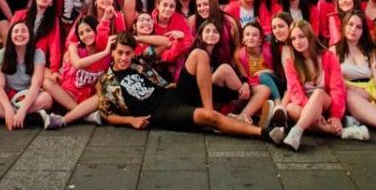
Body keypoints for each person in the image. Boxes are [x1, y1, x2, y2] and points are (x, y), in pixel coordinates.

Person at [96, 32, 284, 143]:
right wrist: (131, 120)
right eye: (119, 53)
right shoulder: (106, 81)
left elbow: (165, 42)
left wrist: (133, 37)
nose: (124, 58)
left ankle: (214, 113)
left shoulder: (138, 61)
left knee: (198, 54)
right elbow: (106, 114)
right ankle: (265, 133)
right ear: (112, 53)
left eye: (128, 53)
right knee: (208, 115)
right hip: (161, 111)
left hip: (172, 92)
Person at [277, 20, 365, 149]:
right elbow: (294, 91)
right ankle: (341, 132)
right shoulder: (291, 62)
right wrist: (312, 112)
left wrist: (335, 115)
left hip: (326, 102)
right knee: (290, 108)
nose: (298, 42)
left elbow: (337, 88)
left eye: (301, 36)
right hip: (305, 104)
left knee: (318, 93)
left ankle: (297, 131)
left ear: (310, 36)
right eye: (293, 39)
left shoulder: (328, 56)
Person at [0, 21, 54, 128]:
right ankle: (28, 119)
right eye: (16, 31)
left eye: (23, 31)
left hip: (28, 97)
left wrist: (22, 111)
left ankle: (0, 117)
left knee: (47, 99)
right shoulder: (2, 53)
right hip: (7, 97)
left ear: (30, 35)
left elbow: (36, 85)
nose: (19, 34)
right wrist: (7, 109)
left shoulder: (38, 53)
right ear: (10, 36)